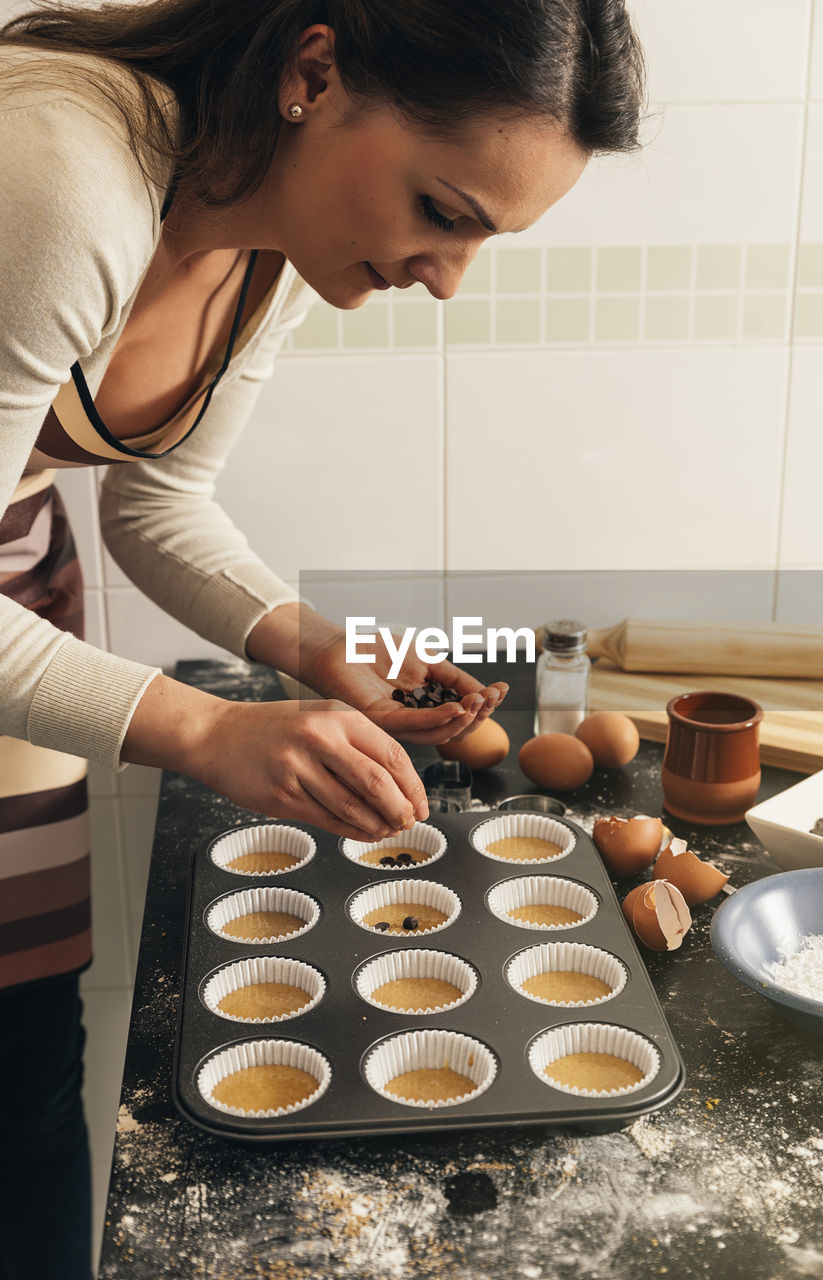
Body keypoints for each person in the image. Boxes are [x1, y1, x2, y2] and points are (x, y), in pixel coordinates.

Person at [0, 1, 646, 1275]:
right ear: (314, 72)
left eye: (483, 240)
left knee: (19, 1066)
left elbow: (156, 498)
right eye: (443, 211)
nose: (444, 278)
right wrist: (202, 725)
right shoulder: (60, 178)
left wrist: (311, 647)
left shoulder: (263, 238)